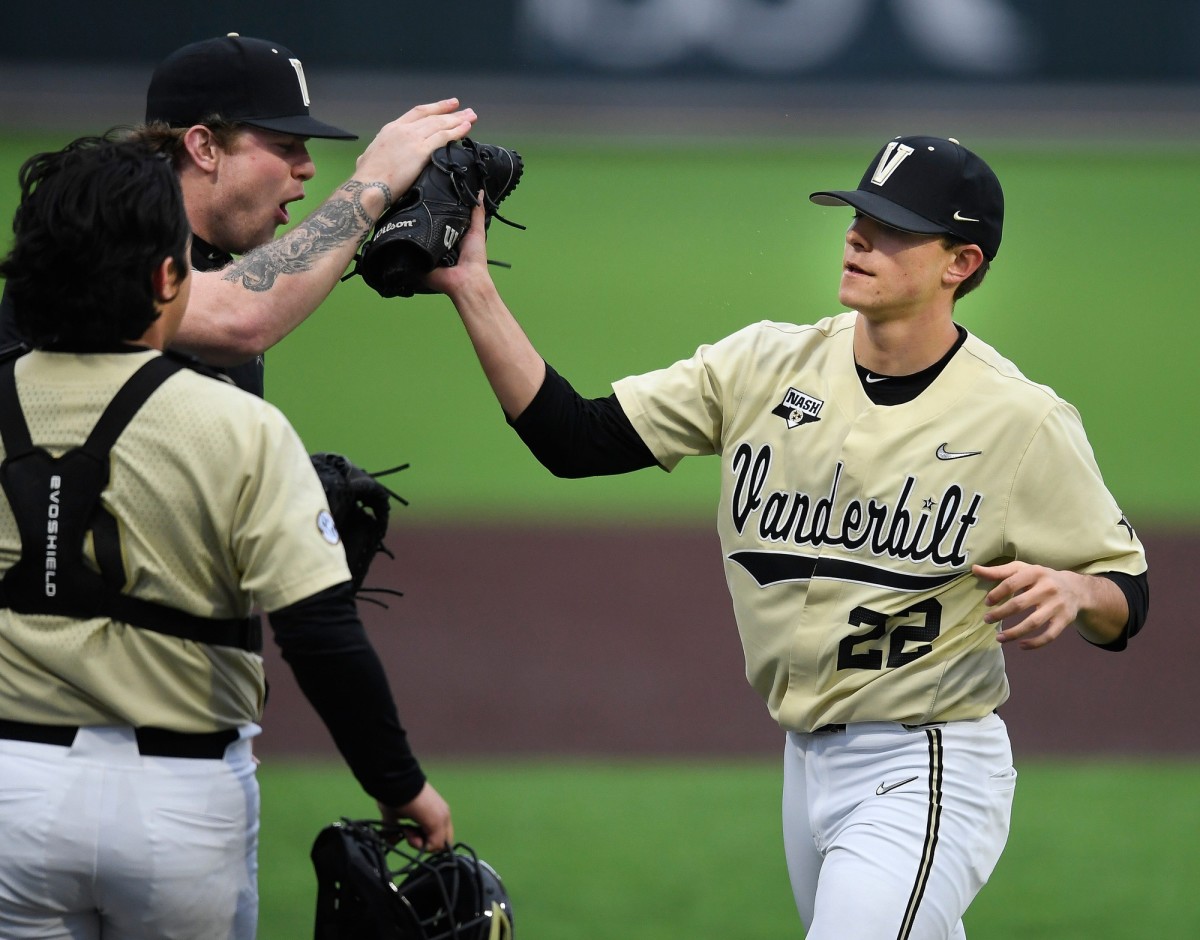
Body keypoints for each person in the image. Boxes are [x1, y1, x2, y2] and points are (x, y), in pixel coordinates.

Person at [426, 136, 1150, 937]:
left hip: (925, 765)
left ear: (961, 262)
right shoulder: (766, 364)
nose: (858, 236)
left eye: (895, 227)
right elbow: (577, 440)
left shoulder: (1021, 419)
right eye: (859, 215)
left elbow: (1129, 590)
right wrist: (473, 287)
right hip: (803, 766)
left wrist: (1080, 589)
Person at [0, 137, 450, 939]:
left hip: (10, 795)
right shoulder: (235, 425)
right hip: (179, 806)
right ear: (169, 278)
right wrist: (401, 786)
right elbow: (320, 635)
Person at [0, 32, 477, 396]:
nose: (307, 168)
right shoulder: (89, 235)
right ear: (204, 146)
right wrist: (371, 186)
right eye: (285, 146)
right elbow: (242, 317)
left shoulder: (209, 261)